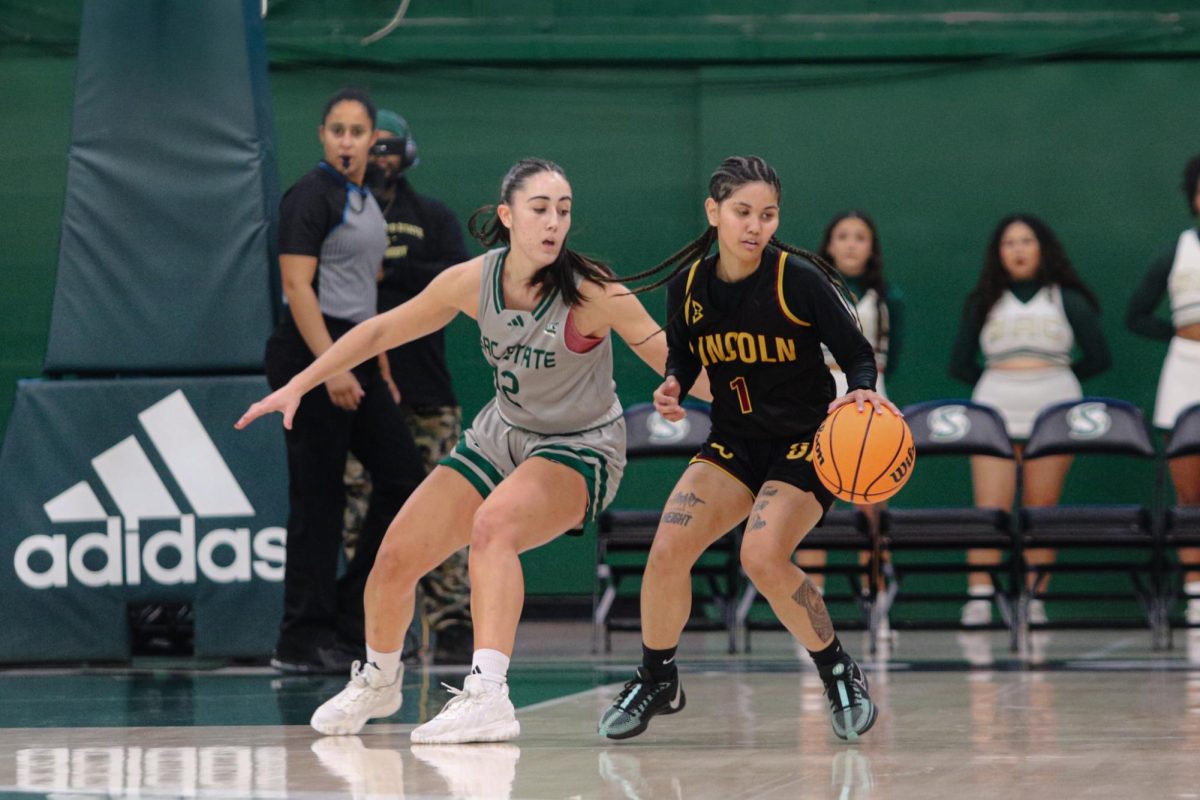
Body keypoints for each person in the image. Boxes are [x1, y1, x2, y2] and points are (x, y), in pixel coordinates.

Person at [237, 157, 711, 743]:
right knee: (394, 558)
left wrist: (695, 391)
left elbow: (673, 360)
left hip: (581, 444)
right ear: (508, 216)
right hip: (501, 434)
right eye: (540, 209)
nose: (553, 223)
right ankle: (380, 680)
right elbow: (380, 331)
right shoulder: (473, 281)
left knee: (492, 528)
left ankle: (489, 693)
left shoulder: (592, 290)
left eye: (563, 211)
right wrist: (298, 384)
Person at [595, 155, 897, 742]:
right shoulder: (688, 286)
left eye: (767, 214)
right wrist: (674, 383)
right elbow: (684, 353)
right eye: (742, 213)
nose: (755, 226)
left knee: (760, 556)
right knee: (666, 552)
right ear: (714, 213)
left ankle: (837, 668)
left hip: (805, 444)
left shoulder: (798, 280)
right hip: (733, 441)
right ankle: (659, 677)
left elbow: (859, 353)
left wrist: (862, 393)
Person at [263, 88, 428, 674]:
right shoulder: (311, 195)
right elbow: (298, 288)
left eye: (358, 132)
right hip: (312, 352)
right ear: (323, 135)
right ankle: (300, 638)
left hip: (355, 348)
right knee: (319, 495)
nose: (348, 141)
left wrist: (375, 359)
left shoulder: (363, 199)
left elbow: (363, 294)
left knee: (404, 477)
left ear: (371, 140)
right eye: (337, 130)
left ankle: (348, 617)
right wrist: (329, 367)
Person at [344, 109, 475, 664]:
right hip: (362, 389)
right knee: (359, 505)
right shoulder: (339, 217)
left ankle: (451, 621)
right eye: (371, 146)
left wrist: (391, 273)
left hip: (428, 389)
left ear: (407, 151)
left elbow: (457, 285)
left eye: (389, 146)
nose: (380, 157)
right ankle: (364, 619)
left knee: (449, 508)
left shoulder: (434, 217)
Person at [949, 214, 1111, 626]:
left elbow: (1099, 357)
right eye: (1009, 243)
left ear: (1043, 248)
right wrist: (998, 381)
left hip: (1051, 409)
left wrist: (1054, 380)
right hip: (996, 408)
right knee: (989, 508)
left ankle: (1034, 599)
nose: (1018, 249)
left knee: (1042, 509)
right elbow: (960, 363)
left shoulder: (1066, 299)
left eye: (1026, 241)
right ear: (998, 253)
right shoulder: (983, 301)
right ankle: (980, 597)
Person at [796, 211, 904, 609]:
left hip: (867, 393)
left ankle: (874, 594)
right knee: (811, 500)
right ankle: (810, 596)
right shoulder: (811, 289)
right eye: (843, 235)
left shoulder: (888, 296)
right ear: (829, 244)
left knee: (872, 496)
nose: (851, 244)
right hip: (818, 392)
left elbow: (890, 359)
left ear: (871, 247)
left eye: (860, 236)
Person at [1126, 153, 1200, 624]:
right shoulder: (1177, 251)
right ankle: (1196, 589)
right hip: (1186, 367)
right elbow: (1137, 314)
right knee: (1189, 493)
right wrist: (1177, 334)